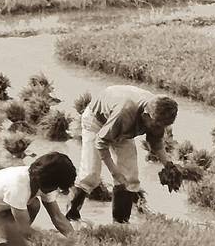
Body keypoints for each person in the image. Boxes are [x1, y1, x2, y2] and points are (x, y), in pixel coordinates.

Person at [66, 85, 179, 224]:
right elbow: (101, 143)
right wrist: (114, 172)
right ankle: (70, 217)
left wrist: (168, 165)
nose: (158, 129)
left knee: (130, 178)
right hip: (97, 122)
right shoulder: (125, 113)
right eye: (156, 125)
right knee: (90, 174)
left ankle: (120, 224)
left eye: (162, 126)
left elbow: (155, 142)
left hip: (124, 128)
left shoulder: (157, 115)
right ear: (145, 115)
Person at [0, 152, 76, 239]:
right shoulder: (19, 185)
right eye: (56, 187)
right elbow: (25, 229)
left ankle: (6, 236)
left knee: (33, 204)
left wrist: (76, 240)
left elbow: (57, 217)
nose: (55, 190)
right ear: (48, 182)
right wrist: (52, 241)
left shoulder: (41, 181)